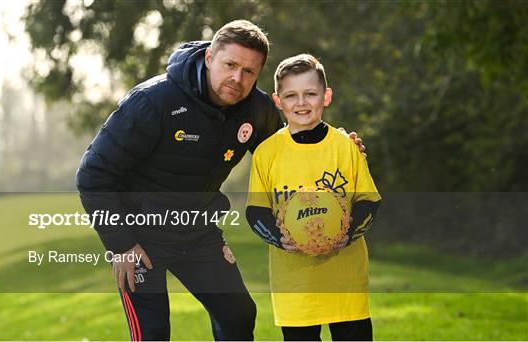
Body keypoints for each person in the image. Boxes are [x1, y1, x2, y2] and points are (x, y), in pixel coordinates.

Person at [76, 20, 365, 340]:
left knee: (238, 314)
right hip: (139, 238)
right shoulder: (152, 101)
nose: (237, 78)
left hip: (197, 233)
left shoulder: (257, 110)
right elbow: (93, 174)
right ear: (210, 57)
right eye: (230, 65)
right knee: (153, 332)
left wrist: (335, 144)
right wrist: (121, 245)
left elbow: (287, 155)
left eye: (249, 72)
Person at [246, 54, 381, 341]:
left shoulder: (346, 148)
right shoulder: (267, 153)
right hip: (295, 285)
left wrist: (345, 235)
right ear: (278, 101)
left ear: (326, 96)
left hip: (346, 282)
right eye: (291, 95)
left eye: (310, 94)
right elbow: (255, 212)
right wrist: (280, 238)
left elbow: (369, 202)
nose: (301, 102)